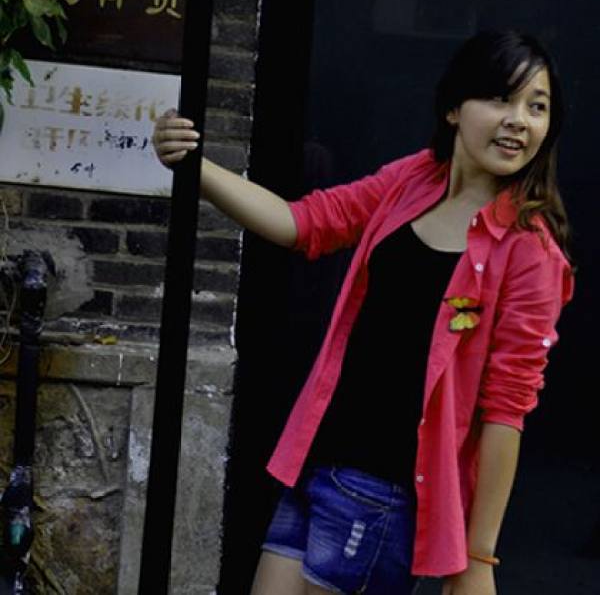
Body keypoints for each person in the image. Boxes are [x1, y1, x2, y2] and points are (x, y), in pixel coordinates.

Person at [152, 30, 574, 595]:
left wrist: (479, 555)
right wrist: (194, 166)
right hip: (318, 461)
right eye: (500, 98)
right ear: (453, 108)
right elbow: (305, 223)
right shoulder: (413, 180)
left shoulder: (528, 249)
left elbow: (506, 410)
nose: (518, 121)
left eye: (536, 107)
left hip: (386, 494)